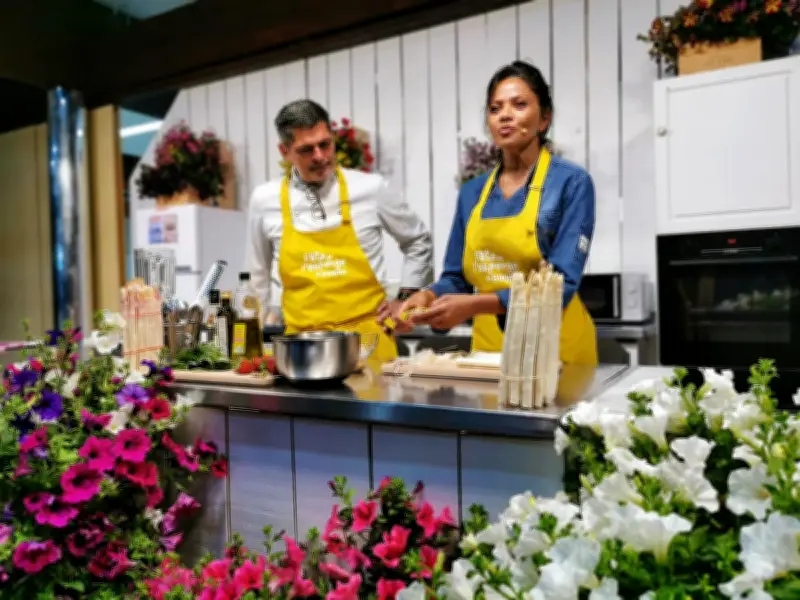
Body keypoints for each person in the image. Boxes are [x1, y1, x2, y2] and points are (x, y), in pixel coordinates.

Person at [390, 61, 597, 365]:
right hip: (489, 355)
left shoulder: (570, 183)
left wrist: (472, 306)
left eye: (520, 104)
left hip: (556, 350)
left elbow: (561, 286)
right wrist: (427, 297)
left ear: (544, 119)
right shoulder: (473, 193)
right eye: (495, 108)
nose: (505, 116)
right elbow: (456, 279)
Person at [245, 99, 433, 363]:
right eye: (306, 150)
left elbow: (418, 241)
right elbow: (258, 276)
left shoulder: (371, 188)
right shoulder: (265, 200)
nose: (320, 156)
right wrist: (254, 344)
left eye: (325, 144)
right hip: (302, 348)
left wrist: (404, 297)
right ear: (285, 151)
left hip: (369, 344)